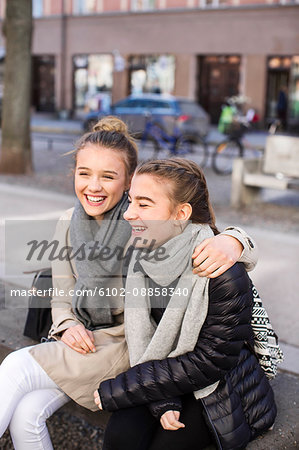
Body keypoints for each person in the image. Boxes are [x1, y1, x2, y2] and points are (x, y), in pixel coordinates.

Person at [0, 117, 257, 450]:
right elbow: (61, 292)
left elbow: (196, 228)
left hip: (128, 344)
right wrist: (66, 324)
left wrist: (237, 239)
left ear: (128, 182)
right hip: (86, 340)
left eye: (108, 176)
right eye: (84, 173)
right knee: (27, 413)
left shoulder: (140, 222)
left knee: (16, 365)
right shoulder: (69, 222)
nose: (94, 186)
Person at [94, 158, 276, 450]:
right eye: (131, 201)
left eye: (144, 204)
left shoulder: (222, 272)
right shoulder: (140, 255)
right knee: (120, 436)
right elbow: (145, 335)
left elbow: (212, 360)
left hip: (218, 389)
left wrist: (123, 388)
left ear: (181, 213)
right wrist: (161, 399)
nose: (128, 214)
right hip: (160, 372)